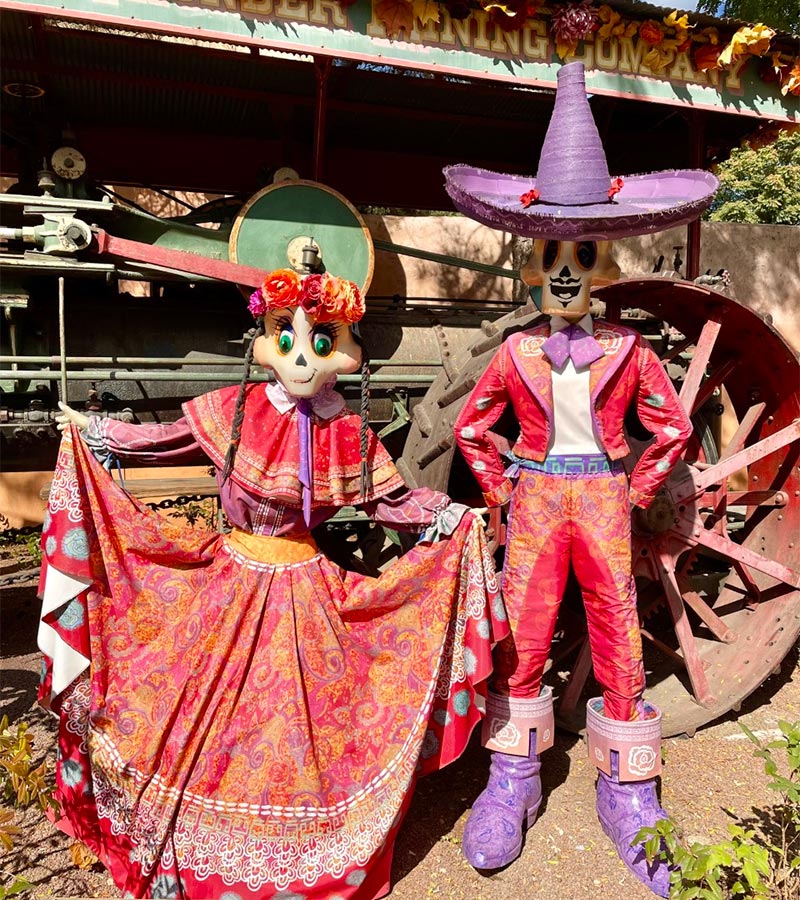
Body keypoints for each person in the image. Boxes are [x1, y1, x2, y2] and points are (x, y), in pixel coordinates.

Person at [40, 266, 508, 899]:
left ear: (343, 350)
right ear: (262, 337)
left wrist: (447, 515)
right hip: (226, 577)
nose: (298, 354)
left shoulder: (346, 431)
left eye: (320, 340)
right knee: (186, 711)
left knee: (293, 732)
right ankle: (177, 838)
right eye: (283, 335)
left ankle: (288, 851)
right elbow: (166, 441)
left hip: (302, 590)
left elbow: (387, 503)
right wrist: (96, 434)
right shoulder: (238, 409)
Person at [444, 61, 718, 896]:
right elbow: (471, 427)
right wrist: (501, 489)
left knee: (618, 630)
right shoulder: (516, 351)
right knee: (523, 636)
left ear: (599, 265)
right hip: (533, 497)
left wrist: (632, 492)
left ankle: (628, 792)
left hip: (601, 493)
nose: (565, 270)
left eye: (581, 255)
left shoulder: (631, 351)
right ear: (534, 266)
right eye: (549, 254)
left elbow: (669, 428)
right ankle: (512, 780)